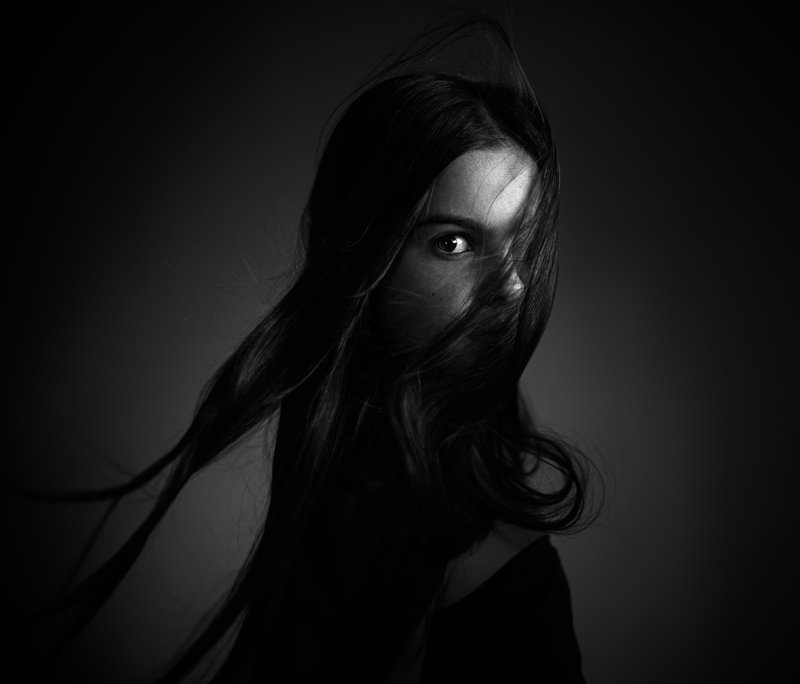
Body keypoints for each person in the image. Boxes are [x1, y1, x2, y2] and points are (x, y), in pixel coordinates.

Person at [39, 15, 593, 684]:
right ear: (367, 253)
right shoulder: (340, 487)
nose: (512, 285)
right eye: (454, 242)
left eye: (522, 246)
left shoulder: (503, 570)